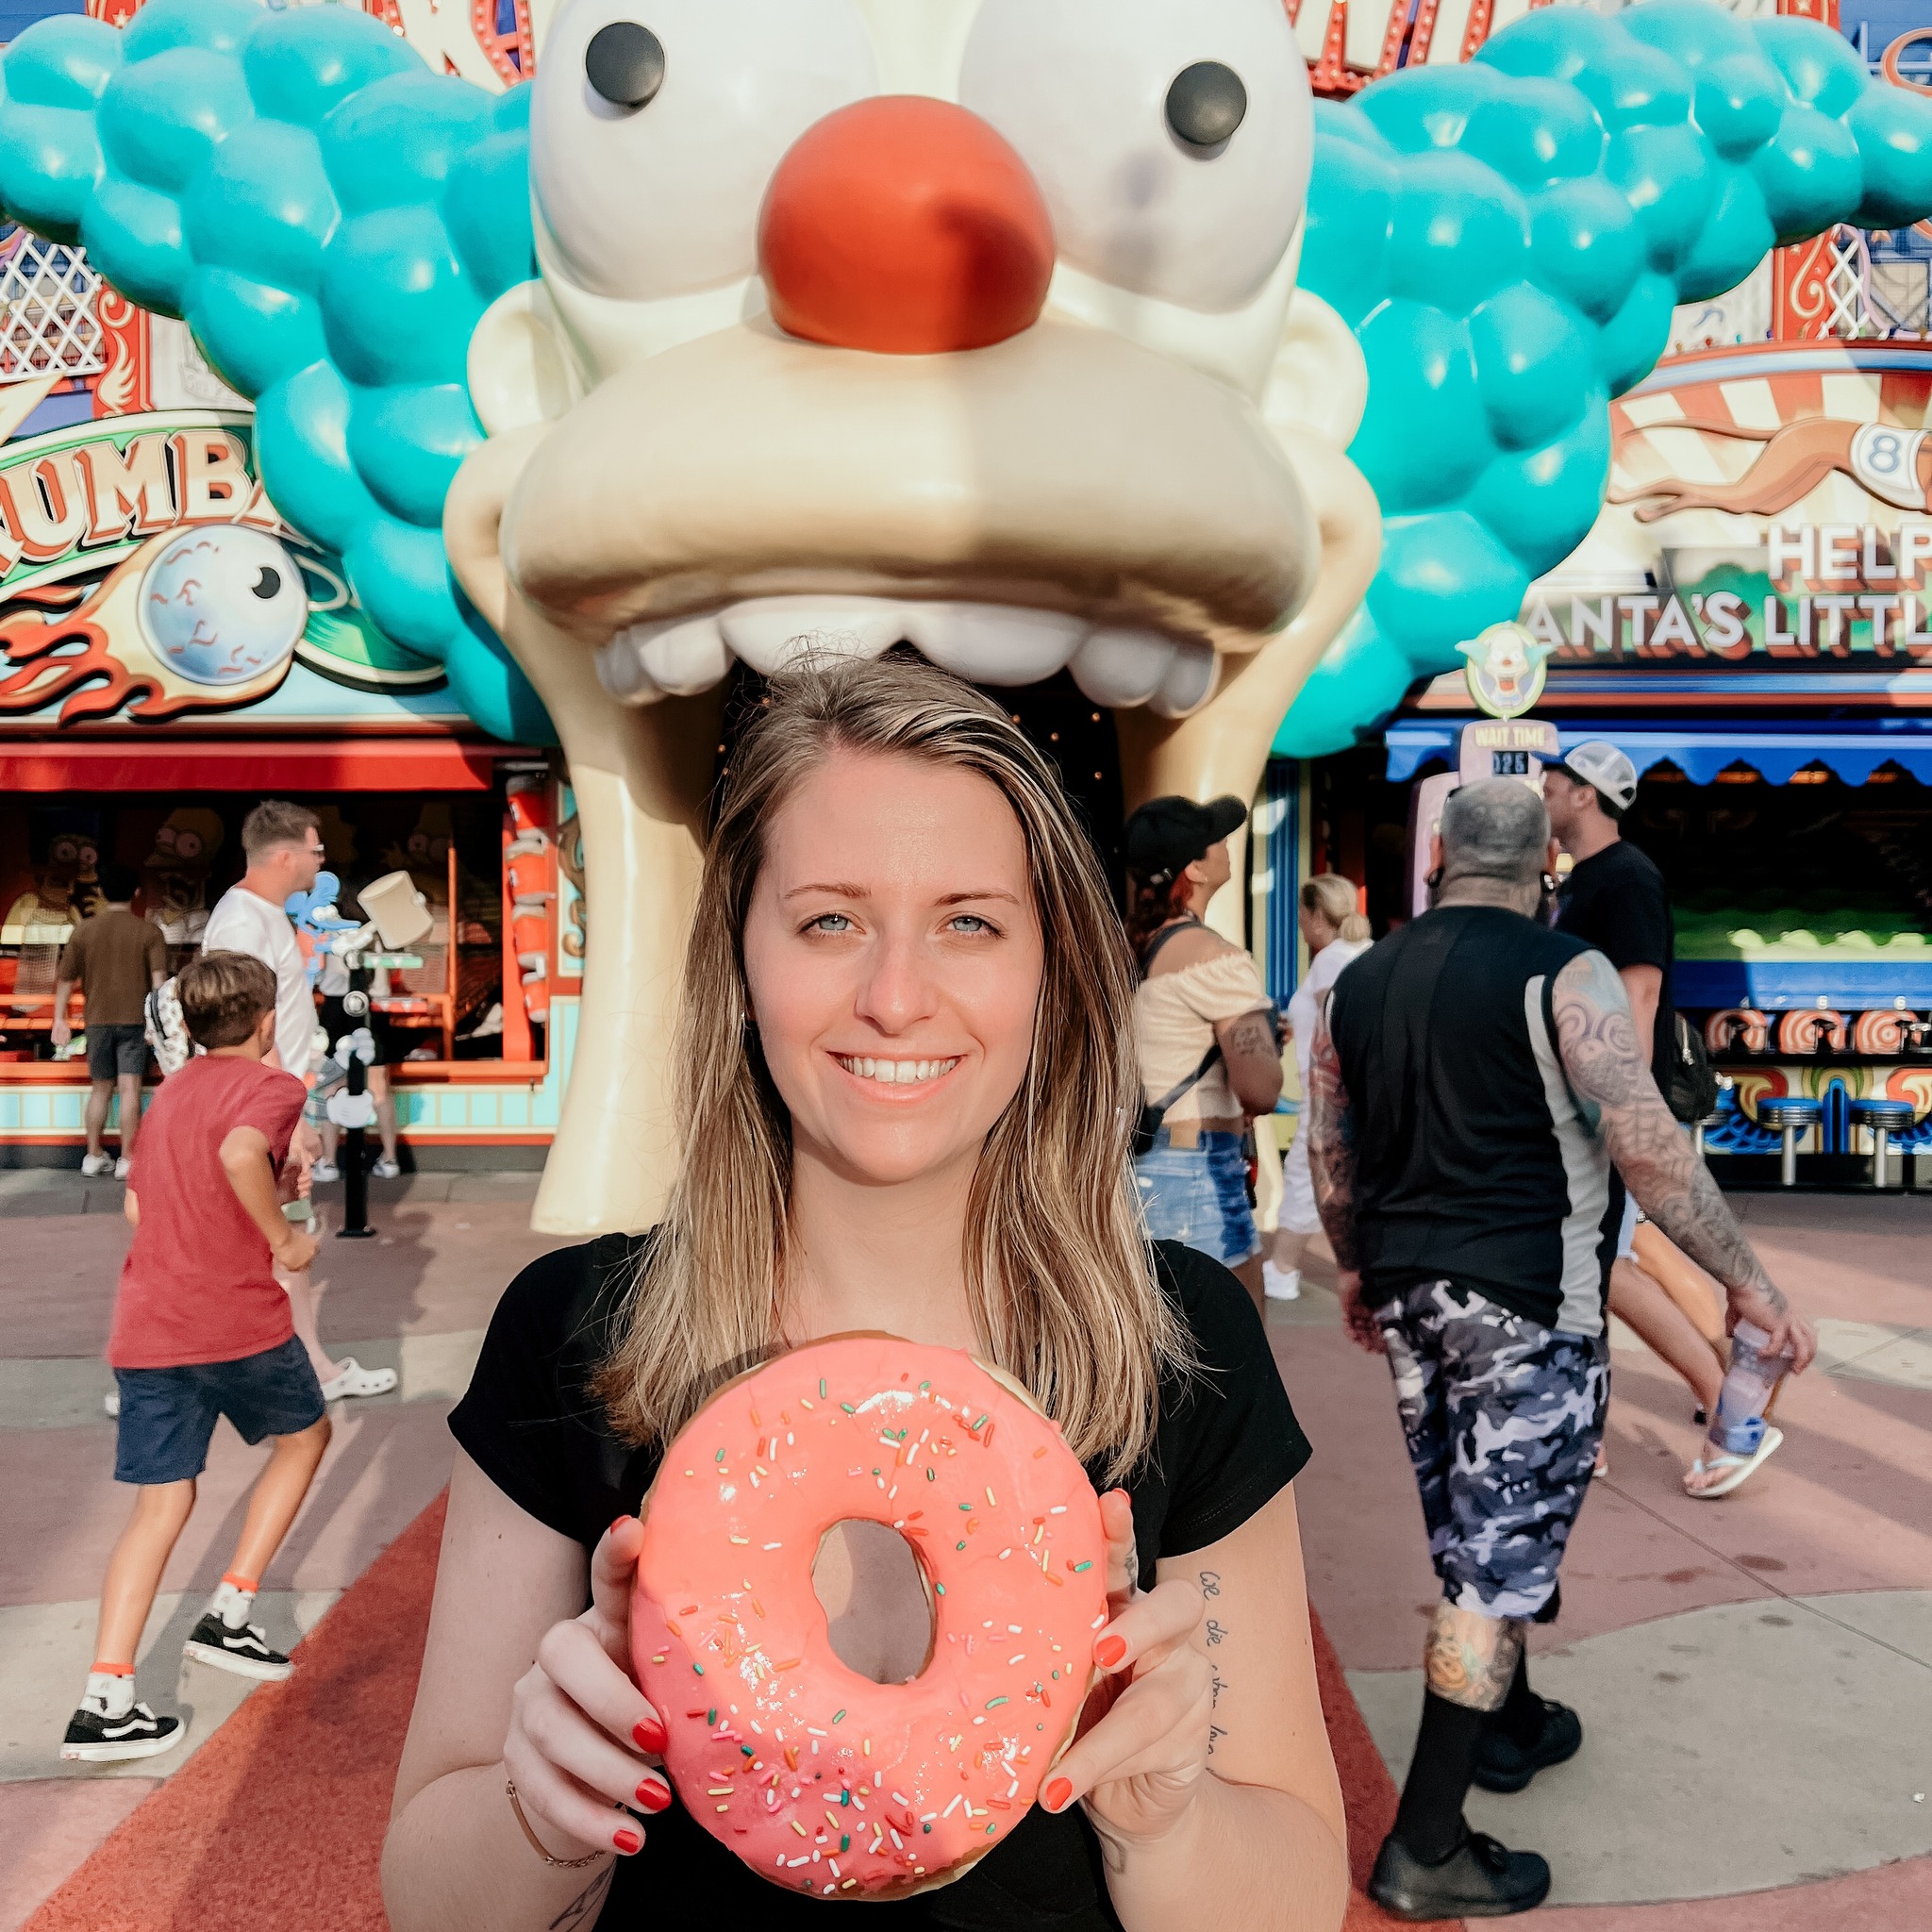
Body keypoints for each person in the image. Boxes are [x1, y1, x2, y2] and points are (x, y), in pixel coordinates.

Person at [383, 658, 1349, 1932]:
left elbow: (1293, 1897)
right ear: (740, 957)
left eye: (970, 922)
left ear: (1052, 971)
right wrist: (542, 1807)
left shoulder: (1182, 1346)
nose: (896, 998)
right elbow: (431, 1901)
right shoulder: (572, 1332)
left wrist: (1163, 1813)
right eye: (830, 920)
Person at [1306, 779, 1815, 1922]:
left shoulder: (1358, 980)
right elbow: (1646, 1146)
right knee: (1488, 1569)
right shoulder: (1563, 971)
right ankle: (1424, 1844)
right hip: (1527, 1302)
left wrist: (1351, 1266)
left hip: (1409, 1291)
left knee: (1478, 1521)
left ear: (1435, 857)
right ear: (1546, 864)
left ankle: (1511, 1721)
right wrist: (1747, 1281)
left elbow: (1335, 1150)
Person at [61, 951, 331, 1763]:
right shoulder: (273, 1086)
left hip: (148, 1326)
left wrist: (262, 1196)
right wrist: (283, 1237)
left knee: (161, 1504)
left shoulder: (171, 1092)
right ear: (266, 1021)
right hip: (235, 1321)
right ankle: (232, 1611)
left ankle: (106, 1697)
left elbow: (141, 1206)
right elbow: (239, 1155)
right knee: (306, 1437)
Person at [1544, 745, 1737, 1491]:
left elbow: (1640, 995)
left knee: (1605, 1269)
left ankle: (1731, 1409)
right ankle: (1593, 1429)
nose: (1545, 791)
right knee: (1601, 1265)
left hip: (1609, 1104)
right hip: (1593, 1103)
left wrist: (1619, 1103)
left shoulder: (1624, 878)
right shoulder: (1590, 877)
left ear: (1585, 795)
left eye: (1556, 782)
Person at [203, 802, 395, 1404]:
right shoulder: (243, 921)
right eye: (316, 849)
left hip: (266, 1100)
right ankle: (295, 1369)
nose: (322, 860)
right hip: (259, 1106)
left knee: (279, 1236)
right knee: (278, 1234)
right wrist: (286, 1114)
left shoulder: (258, 915)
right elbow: (244, 1027)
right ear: (285, 856)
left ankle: (301, 1364)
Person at [1122, 796, 1286, 1317]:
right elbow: (1261, 1090)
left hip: (1133, 1166)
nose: (1226, 845)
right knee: (1234, 1346)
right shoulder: (1215, 959)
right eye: (1217, 839)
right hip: (1196, 1173)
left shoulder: (1129, 948)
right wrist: (1267, 1043)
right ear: (1194, 868)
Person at [1265, 874, 1373, 1305]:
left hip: (1329, 1090)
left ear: (1314, 915)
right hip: (1358, 1090)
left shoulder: (1331, 959)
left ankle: (1283, 1269)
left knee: (1308, 1177)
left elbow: (1339, 1022)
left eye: (1300, 912)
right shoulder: (1363, 952)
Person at [50, 860, 168, 1179]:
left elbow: (65, 979)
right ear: (136, 893)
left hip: (97, 1021)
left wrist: (59, 1019)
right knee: (130, 1089)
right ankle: (127, 1159)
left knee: (100, 1089)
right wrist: (158, 1026)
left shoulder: (84, 930)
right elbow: (159, 983)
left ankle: (92, 1156)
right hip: (135, 1022)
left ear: (101, 892)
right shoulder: (149, 932)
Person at [312, 895, 402, 1183]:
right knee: (379, 1087)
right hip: (371, 1006)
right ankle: (390, 1158)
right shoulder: (376, 930)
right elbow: (384, 981)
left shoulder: (326, 929)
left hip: (336, 1006)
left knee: (331, 1085)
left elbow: (317, 974)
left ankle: (329, 1162)